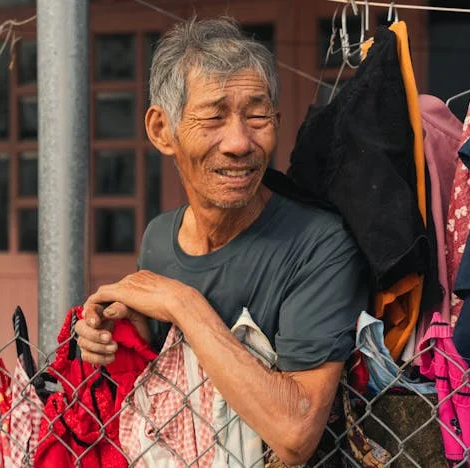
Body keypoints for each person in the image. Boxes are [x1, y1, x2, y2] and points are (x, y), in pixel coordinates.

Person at [75, 17, 369, 465]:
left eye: (257, 117)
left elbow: (295, 434)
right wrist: (111, 334)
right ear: (161, 130)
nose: (239, 142)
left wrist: (183, 304)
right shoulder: (158, 237)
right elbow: (166, 372)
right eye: (213, 117)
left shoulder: (320, 244)